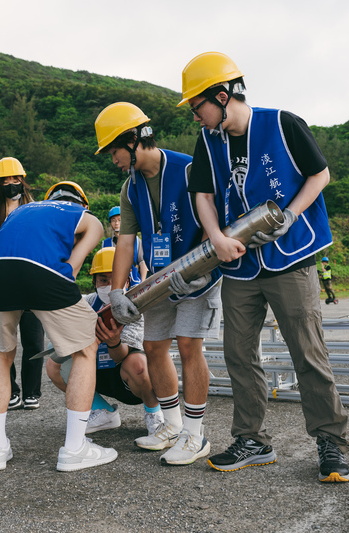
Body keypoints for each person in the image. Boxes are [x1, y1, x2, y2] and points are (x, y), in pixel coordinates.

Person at [180, 51, 349, 481]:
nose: (195, 117)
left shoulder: (282, 123)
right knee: (239, 353)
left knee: (307, 353)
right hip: (239, 266)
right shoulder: (207, 142)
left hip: (290, 259)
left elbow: (320, 174)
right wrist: (216, 237)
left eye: (197, 106)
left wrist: (291, 214)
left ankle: (331, 442)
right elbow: (202, 193)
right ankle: (252, 440)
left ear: (221, 96)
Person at [94, 102, 222, 466]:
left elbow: (217, 220)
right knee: (153, 347)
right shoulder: (130, 188)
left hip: (199, 277)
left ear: (133, 140)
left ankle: (195, 436)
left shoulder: (189, 169)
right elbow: (126, 242)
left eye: (114, 150)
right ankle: (170, 426)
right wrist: (118, 291)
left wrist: (204, 267)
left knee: (188, 346)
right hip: (161, 279)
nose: (113, 159)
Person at [0, 181, 116, 472]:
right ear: (82, 204)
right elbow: (96, 231)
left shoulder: (24, 209)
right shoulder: (77, 212)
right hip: (42, 269)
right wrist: (71, 269)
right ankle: (75, 448)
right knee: (85, 349)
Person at [45, 247, 164, 439]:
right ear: (94, 281)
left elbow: (121, 357)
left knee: (138, 364)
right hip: (95, 374)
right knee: (53, 361)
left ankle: (155, 414)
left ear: (126, 280)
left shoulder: (136, 305)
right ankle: (101, 411)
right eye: (103, 280)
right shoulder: (86, 304)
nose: (108, 285)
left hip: (130, 381)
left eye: (114, 278)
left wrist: (114, 342)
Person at [0, 157, 45, 411]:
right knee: (2, 342)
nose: (11, 185)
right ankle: (11, 390)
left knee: (33, 341)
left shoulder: (37, 209)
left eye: (15, 180)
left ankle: (32, 391)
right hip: (3, 287)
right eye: (5, 181)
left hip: (32, 284)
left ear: (23, 181)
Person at [103, 206, 148, 287]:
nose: (116, 223)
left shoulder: (136, 240)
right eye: (113, 220)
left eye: (120, 220)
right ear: (110, 223)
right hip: (112, 284)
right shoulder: (105, 243)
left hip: (134, 283)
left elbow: (142, 262)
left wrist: (143, 282)